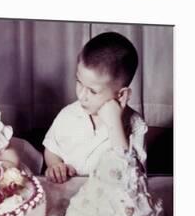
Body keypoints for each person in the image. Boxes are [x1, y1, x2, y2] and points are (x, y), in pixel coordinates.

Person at [43, 31, 148, 183]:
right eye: (79, 82)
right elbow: (52, 149)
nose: (81, 95)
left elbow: (133, 179)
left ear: (121, 95)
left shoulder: (136, 125)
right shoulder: (68, 114)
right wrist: (55, 165)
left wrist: (114, 125)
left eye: (93, 91)